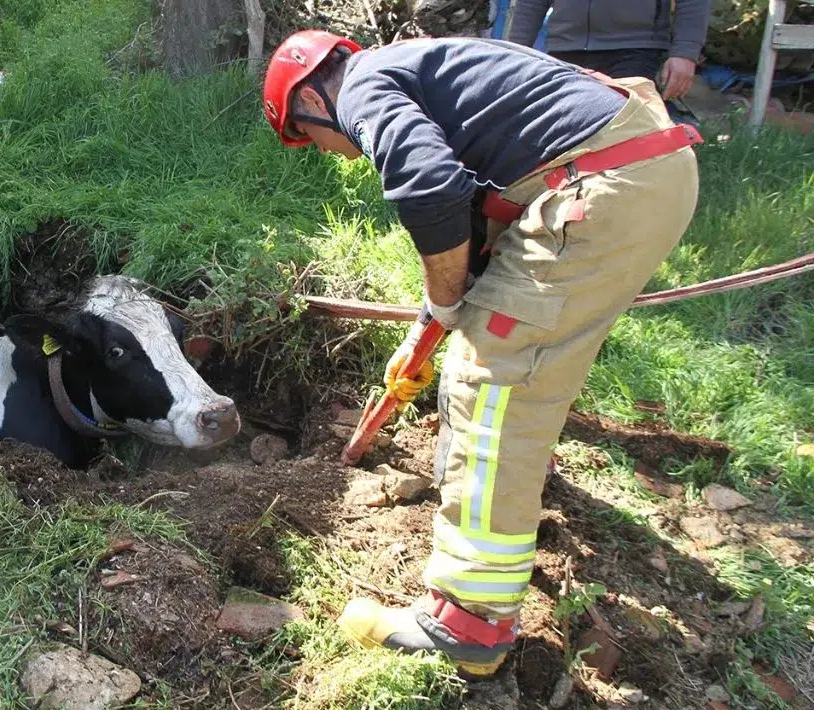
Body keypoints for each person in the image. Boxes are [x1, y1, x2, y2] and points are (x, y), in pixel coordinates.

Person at [262, 31, 701, 676]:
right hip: (642, 169)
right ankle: (508, 483)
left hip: (604, 183)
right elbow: (473, 225)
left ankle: (468, 619)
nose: (338, 153)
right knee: (520, 359)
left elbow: (428, 188)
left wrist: (446, 312)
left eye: (311, 139)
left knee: (491, 376)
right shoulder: (426, 69)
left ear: (308, 101)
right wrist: (425, 327)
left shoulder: (357, 87)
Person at [504, 0, 710, 103]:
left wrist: (685, 52)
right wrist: (514, 50)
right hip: (565, 48)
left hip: (636, 47)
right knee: (568, 137)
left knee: (625, 135)